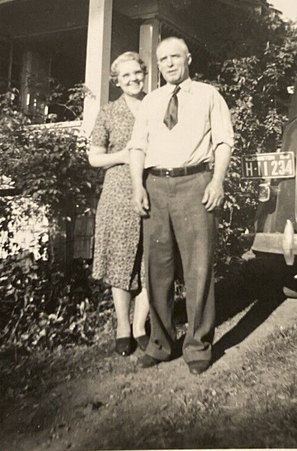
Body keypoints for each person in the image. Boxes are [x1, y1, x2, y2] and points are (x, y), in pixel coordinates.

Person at [129, 37, 234, 375]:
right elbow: (137, 148)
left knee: (198, 266)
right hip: (155, 186)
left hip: (195, 184)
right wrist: (136, 187)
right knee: (157, 268)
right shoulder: (151, 102)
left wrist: (216, 182)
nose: (169, 63)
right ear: (158, 65)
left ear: (188, 57)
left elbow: (223, 141)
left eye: (175, 56)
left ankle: (198, 346)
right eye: (163, 59)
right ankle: (161, 344)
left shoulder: (208, 95)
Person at [89, 52, 150, 356]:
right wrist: (124, 155)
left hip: (154, 187)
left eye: (137, 73)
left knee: (151, 259)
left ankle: (140, 325)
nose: (132, 79)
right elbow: (94, 157)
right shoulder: (108, 112)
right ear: (116, 81)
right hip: (118, 190)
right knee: (120, 258)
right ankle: (122, 327)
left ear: (145, 73)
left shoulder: (158, 105)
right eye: (125, 76)